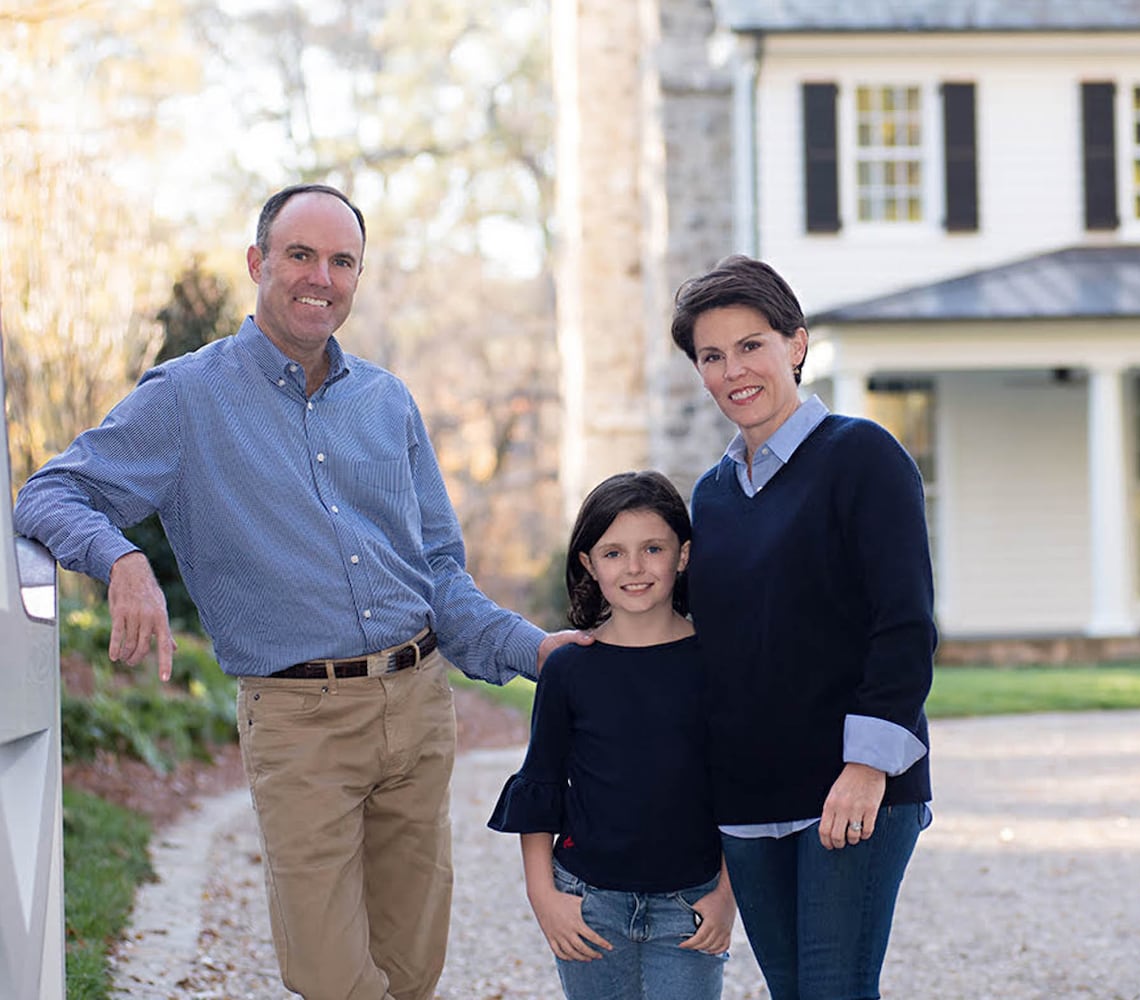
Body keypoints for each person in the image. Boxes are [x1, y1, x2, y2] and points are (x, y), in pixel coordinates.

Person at [14, 183, 584, 1000]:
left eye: (341, 261)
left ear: (358, 276)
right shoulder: (186, 398)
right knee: (329, 975)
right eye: (301, 255)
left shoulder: (387, 401)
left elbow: (440, 577)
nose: (321, 276)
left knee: (412, 969)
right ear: (258, 263)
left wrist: (536, 650)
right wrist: (121, 560)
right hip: (298, 721)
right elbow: (48, 494)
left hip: (418, 708)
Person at [668, 254, 936, 1000]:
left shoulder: (863, 457)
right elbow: (713, 646)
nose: (732, 372)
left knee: (833, 988)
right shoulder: (713, 495)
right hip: (750, 804)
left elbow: (905, 625)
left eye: (750, 345)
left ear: (795, 344)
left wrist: (867, 767)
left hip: (853, 793)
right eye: (711, 357)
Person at [487, 470, 736, 1000]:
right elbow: (542, 782)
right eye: (614, 553)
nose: (636, 568)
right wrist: (543, 896)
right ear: (588, 564)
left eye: (652, 548)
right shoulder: (569, 668)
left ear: (683, 556)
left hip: (690, 906)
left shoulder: (717, 662)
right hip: (588, 903)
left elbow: (739, 785)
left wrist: (726, 895)